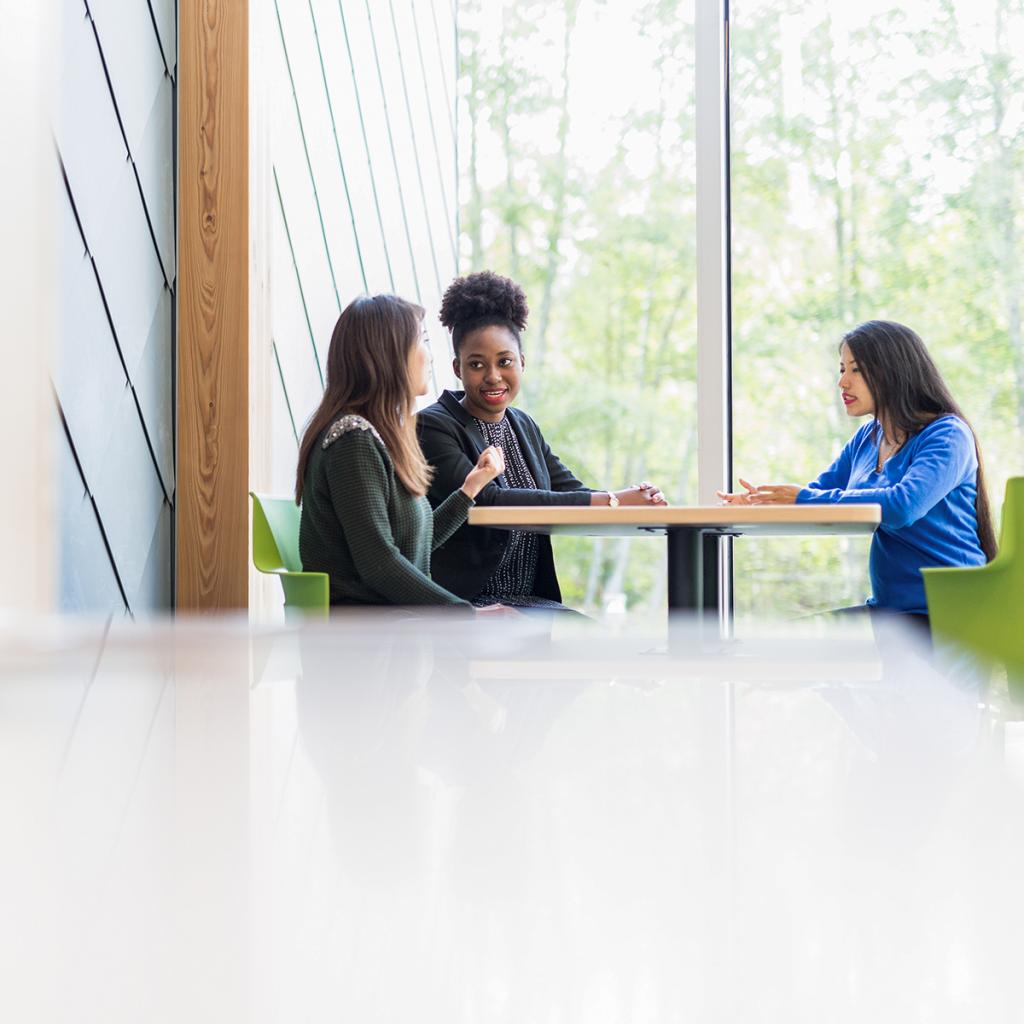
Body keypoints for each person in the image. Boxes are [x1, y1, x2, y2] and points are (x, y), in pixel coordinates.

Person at [416, 270, 667, 609]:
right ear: (457, 368)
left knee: (605, 649)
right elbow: (487, 499)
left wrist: (636, 496)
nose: (493, 376)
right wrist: (612, 500)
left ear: (522, 362)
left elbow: (571, 493)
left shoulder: (523, 426)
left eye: (504, 362)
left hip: (531, 601)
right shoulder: (433, 426)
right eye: (477, 364)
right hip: (468, 606)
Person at [717, 320, 997, 620]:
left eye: (856, 370)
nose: (843, 382)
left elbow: (903, 506)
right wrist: (763, 501)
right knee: (783, 643)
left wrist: (801, 498)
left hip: (952, 614)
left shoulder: (947, 435)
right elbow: (819, 495)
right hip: (892, 612)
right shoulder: (868, 438)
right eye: (841, 370)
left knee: (794, 649)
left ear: (894, 371)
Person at [295, 294, 507, 610]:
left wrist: (470, 488)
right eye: (421, 340)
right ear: (388, 354)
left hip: (390, 627)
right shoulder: (353, 440)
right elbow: (379, 563)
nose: (430, 356)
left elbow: (413, 545)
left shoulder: (374, 435)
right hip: (361, 640)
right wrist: (467, 615)